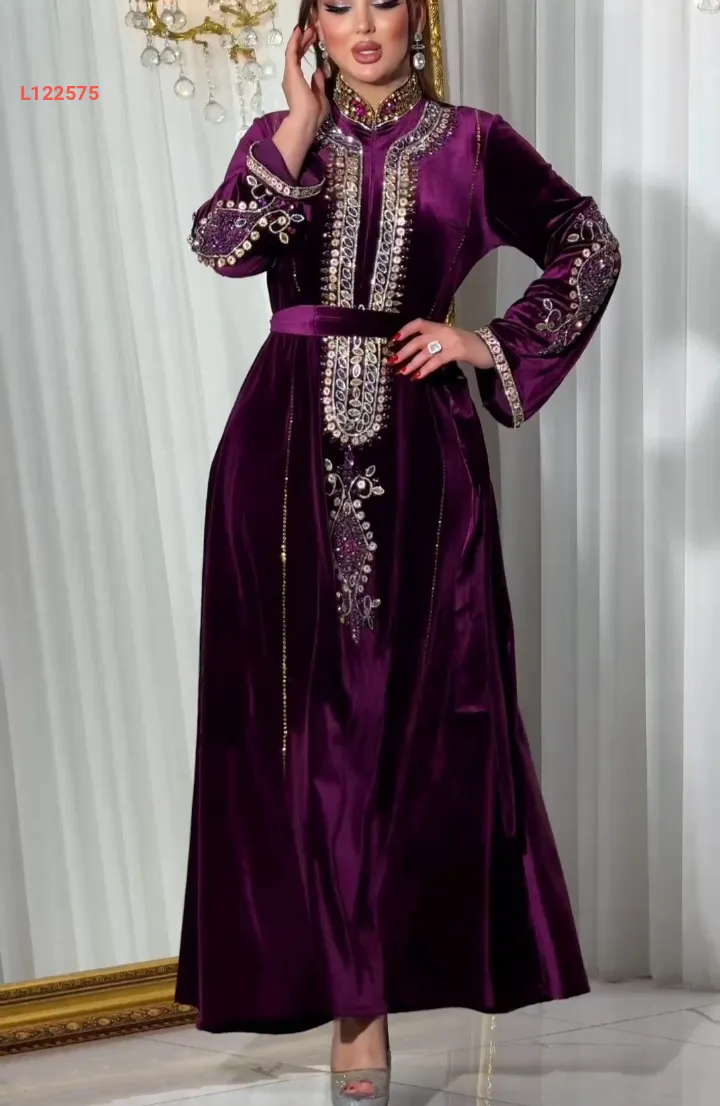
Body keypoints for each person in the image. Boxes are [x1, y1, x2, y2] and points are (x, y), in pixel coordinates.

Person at [175, 0, 621, 1101]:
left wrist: (486, 340)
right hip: (278, 465)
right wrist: (293, 124)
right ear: (310, 26)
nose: (364, 27)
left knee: (407, 724)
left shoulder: (474, 142)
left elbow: (589, 243)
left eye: (383, 0)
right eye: (338, 6)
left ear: (415, 12)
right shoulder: (284, 142)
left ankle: (387, 978)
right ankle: (353, 1011)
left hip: (421, 460)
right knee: (301, 739)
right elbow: (222, 245)